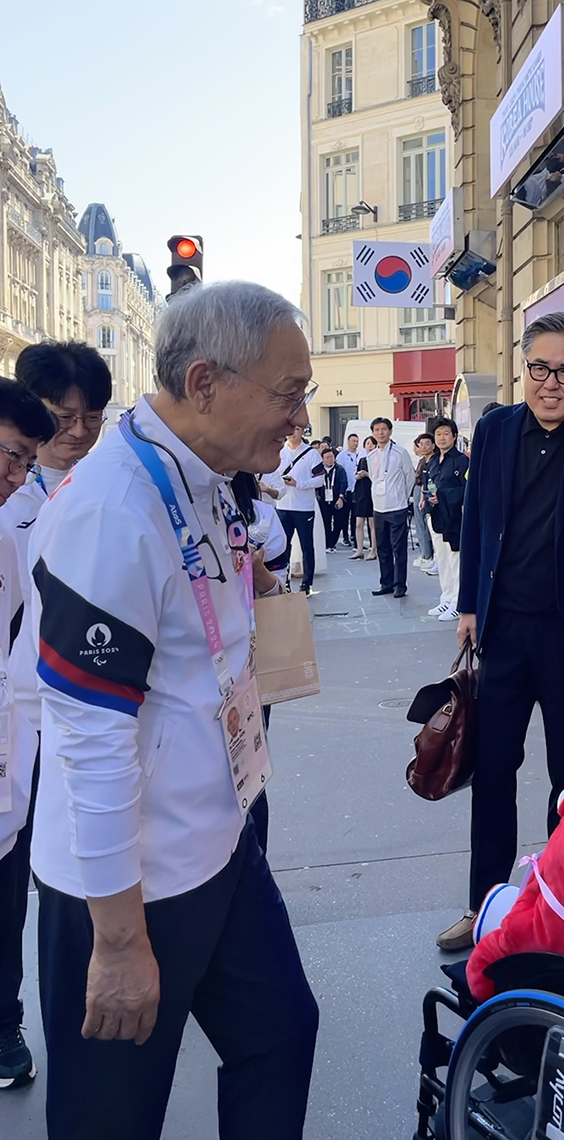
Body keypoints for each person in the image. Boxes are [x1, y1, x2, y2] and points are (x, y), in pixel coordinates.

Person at [28, 282, 319, 1140]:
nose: (297, 417)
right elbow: (87, 739)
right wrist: (117, 943)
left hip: (222, 844)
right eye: (287, 393)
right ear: (204, 382)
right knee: (108, 1120)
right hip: (129, 889)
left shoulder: (208, 476)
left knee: (280, 1037)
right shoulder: (113, 508)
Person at [437, 311, 564, 951]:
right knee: (492, 772)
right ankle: (484, 907)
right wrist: (470, 602)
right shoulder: (495, 429)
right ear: (524, 367)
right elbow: (475, 518)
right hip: (500, 629)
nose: (551, 383)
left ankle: (560, 912)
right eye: (539, 368)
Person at [0, 342, 112, 1088]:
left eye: (89, 418)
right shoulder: (16, 503)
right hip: (19, 719)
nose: (76, 431)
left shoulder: (111, 488)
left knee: (61, 880)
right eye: (61, 419)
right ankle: (6, 1022)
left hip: (68, 722)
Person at [0, 379, 58, 1090]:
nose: (16, 477)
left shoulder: (24, 514)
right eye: (11, 458)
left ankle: (3, 1020)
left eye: (24, 463)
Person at [230, 469, 290, 857]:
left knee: (249, 773)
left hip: (249, 662)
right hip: (192, 673)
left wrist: (261, 574)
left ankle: (255, 864)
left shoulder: (260, 517)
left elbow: (280, 591)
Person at [264, 425, 324, 596]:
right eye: (289, 430)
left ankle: (307, 584)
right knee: (282, 546)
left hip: (304, 507)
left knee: (307, 546)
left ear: (302, 431)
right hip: (282, 506)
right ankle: (285, 581)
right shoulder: (280, 452)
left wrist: (299, 483)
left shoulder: (311, 454)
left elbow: (319, 480)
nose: (292, 433)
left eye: (296, 429)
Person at [423, 417, 468, 622]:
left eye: (446, 434)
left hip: (455, 517)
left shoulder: (461, 460)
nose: (441, 438)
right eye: (438, 434)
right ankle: (447, 597)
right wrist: (428, 499)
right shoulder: (432, 461)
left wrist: (443, 495)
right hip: (436, 515)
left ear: (454, 436)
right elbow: (428, 484)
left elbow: (467, 489)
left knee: (455, 559)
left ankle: (459, 601)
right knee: (441, 559)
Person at [368, 417, 415, 598]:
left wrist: (402, 496)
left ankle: (400, 584)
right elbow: (373, 478)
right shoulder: (371, 456)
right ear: (373, 433)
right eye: (377, 430)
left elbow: (409, 476)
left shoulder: (399, 452)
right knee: (383, 548)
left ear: (390, 431)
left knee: (398, 548)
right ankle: (386, 582)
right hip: (379, 507)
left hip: (397, 506)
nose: (381, 433)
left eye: (384, 429)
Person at [411, 433, 436, 572]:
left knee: (428, 526)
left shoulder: (433, 460)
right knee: (420, 524)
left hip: (428, 494)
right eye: (421, 444)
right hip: (421, 492)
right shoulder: (423, 461)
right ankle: (425, 554)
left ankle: (428, 555)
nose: (423, 447)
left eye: (427, 443)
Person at [349, 436, 377, 560]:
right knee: (358, 523)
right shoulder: (362, 459)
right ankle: (359, 549)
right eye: (367, 444)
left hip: (372, 493)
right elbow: (355, 474)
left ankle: (373, 550)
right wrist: (358, 476)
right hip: (361, 493)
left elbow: (379, 477)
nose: (369, 446)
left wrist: (368, 474)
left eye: (371, 444)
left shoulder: (378, 459)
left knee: (372, 524)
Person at [314, 447, 347, 553]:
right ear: (322, 459)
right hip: (323, 500)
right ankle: (328, 544)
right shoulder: (319, 470)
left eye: (331, 457)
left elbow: (344, 483)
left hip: (336, 498)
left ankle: (332, 543)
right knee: (325, 522)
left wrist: (341, 497)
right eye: (327, 457)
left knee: (339, 522)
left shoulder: (339, 469)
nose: (329, 459)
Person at [335, 432, 362, 549]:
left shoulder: (359, 455)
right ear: (348, 442)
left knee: (355, 515)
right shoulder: (342, 456)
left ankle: (354, 536)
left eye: (357, 441)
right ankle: (345, 536)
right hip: (346, 489)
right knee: (344, 515)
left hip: (357, 489)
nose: (355, 444)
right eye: (353, 441)